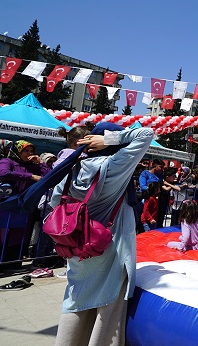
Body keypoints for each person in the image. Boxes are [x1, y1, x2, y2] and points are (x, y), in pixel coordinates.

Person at [48, 123, 153, 345]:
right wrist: (109, 140)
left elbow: (55, 203)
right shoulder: (114, 166)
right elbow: (146, 133)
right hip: (110, 249)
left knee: (75, 303)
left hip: (77, 248)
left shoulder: (70, 169)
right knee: (108, 313)